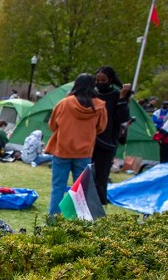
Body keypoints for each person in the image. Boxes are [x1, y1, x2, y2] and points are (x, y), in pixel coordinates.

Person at [45, 73, 107, 217]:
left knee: (58, 188)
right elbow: (101, 128)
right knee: (81, 191)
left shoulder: (64, 103)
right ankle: (80, 221)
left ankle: (53, 220)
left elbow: (52, 125)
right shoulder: (99, 106)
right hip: (84, 153)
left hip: (62, 151)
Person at [93, 66, 131, 206]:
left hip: (107, 141)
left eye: (103, 80)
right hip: (90, 141)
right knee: (87, 176)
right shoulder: (93, 93)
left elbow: (122, 118)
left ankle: (98, 206)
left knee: (101, 178)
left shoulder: (117, 95)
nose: (100, 82)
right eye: (97, 80)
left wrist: (122, 97)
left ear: (110, 80)